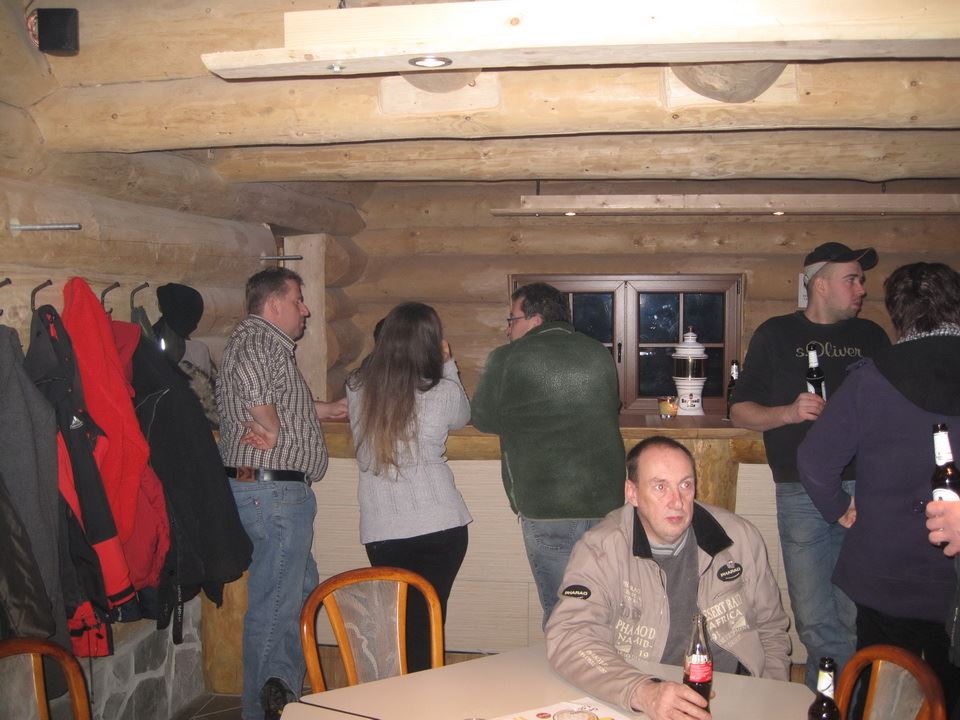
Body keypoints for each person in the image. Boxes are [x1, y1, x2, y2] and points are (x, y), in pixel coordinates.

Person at [799, 262, 960, 715]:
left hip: (886, 570)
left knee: (879, 697)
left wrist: (839, 507)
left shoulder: (871, 378)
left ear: (897, 312)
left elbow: (814, 460)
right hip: (952, 579)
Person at [729, 242, 890, 687]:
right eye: (852, 279)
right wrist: (788, 412)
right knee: (815, 619)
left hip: (864, 490)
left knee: (857, 613)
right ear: (820, 284)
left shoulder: (872, 337)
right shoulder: (775, 334)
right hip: (800, 491)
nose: (861, 289)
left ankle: (848, 702)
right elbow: (740, 411)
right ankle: (829, 704)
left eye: (861, 280)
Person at [546, 436, 790, 720]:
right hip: (646, 695)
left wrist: (770, 697)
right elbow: (570, 636)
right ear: (632, 493)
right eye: (660, 487)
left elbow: (772, 629)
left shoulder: (739, 538)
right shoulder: (600, 549)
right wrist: (643, 692)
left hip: (738, 693)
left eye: (685, 485)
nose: (677, 502)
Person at [217, 267, 347, 720]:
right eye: (297, 300)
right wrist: (269, 427)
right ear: (274, 305)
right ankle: (261, 712)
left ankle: (282, 697)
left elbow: (276, 397)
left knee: (299, 594)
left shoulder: (261, 343)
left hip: (271, 492)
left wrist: (325, 410)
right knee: (274, 606)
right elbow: (254, 386)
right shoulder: (257, 340)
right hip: (272, 493)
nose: (304, 309)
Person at [471, 282, 625, 625]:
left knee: (561, 615)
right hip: (607, 505)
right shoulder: (597, 352)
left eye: (512, 319)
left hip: (547, 505)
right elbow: (610, 407)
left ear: (535, 319)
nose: (508, 329)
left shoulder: (507, 358)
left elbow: (483, 419)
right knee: (604, 610)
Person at [345, 302, 472, 673]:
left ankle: (409, 695)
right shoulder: (442, 391)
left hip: (383, 530)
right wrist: (447, 364)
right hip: (439, 525)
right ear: (431, 342)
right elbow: (463, 416)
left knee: (399, 625)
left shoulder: (357, 386)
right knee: (428, 624)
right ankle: (424, 695)